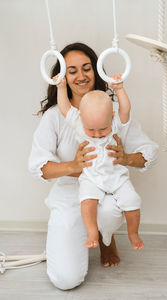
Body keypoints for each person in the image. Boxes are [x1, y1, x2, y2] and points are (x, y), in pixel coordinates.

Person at [29, 42, 158, 290]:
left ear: (96, 71)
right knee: (66, 280)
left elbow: (149, 151)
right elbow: (38, 167)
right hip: (71, 193)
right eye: (72, 70)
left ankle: (105, 236)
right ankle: (85, 233)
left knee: (111, 209)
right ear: (64, 76)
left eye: (86, 68)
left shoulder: (113, 112)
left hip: (108, 189)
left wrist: (126, 158)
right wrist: (73, 166)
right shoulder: (56, 116)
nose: (81, 75)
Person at [54, 71, 144, 250]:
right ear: (81, 118)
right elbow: (64, 108)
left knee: (133, 202)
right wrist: (61, 87)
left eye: (103, 129)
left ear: (112, 117)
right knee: (87, 201)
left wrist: (119, 90)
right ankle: (92, 231)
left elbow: (125, 109)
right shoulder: (78, 123)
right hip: (91, 177)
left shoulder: (116, 122)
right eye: (91, 130)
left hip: (117, 177)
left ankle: (133, 233)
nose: (97, 134)